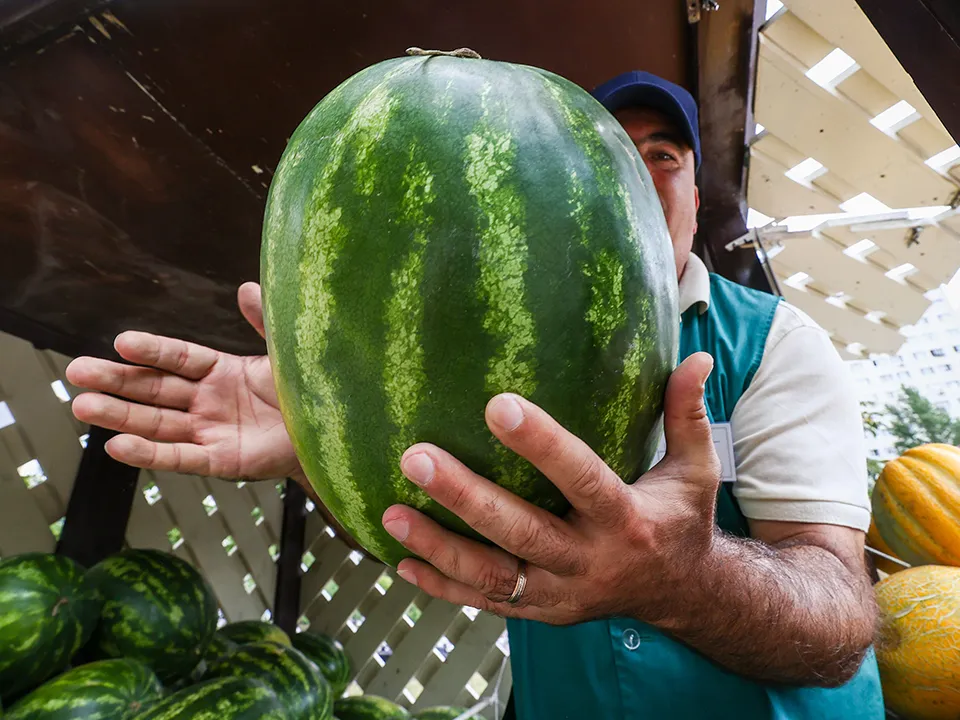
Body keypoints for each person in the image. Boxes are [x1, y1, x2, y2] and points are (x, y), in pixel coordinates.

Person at [65, 70, 884, 719]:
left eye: (664, 154)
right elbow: (443, 540)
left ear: (694, 196)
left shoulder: (776, 343)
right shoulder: (509, 341)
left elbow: (839, 617)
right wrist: (319, 453)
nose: (638, 169)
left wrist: (685, 578)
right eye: (612, 153)